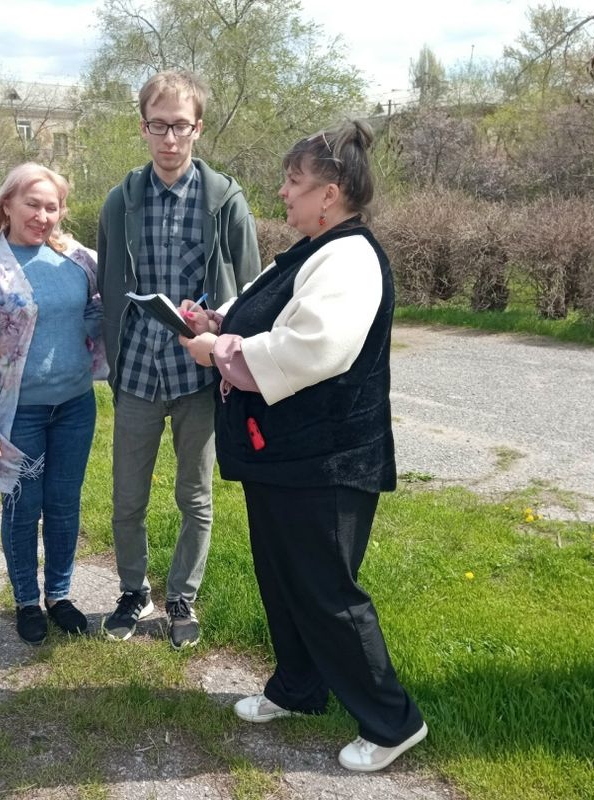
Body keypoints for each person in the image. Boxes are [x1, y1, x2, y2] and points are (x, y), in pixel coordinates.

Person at [179, 120, 428, 772]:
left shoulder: (350, 258)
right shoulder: (312, 249)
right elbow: (268, 319)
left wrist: (220, 350)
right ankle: (297, 688)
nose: (283, 193)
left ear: (331, 192)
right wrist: (217, 323)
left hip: (327, 460)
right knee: (283, 579)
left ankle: (393, 722)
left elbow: (314, 347)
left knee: (325, 592)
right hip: (287, 456)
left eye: (294, 182)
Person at [96, 70, 260, 649]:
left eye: (181, 126)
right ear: (143, 127)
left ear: (198, 128)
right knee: (127, 498)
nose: (170, 139)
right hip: (138, 371)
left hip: (200, 374)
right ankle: (133, 592)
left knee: (195, 495)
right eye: (159, 125)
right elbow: (108, 282)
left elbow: (251, 291)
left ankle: (182, 596)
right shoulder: (121, 201)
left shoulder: (225, 202)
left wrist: (220, 327)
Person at [0, 163, 105, 646]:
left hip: (75, 406)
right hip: (19, 413)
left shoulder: (78, 259)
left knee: (63, 504)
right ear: (7, 205)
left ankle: (59, 595)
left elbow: (100, 311)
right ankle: (26, 600)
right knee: (23, 506)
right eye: (32, 204)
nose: (42, 216)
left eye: (51, 207)